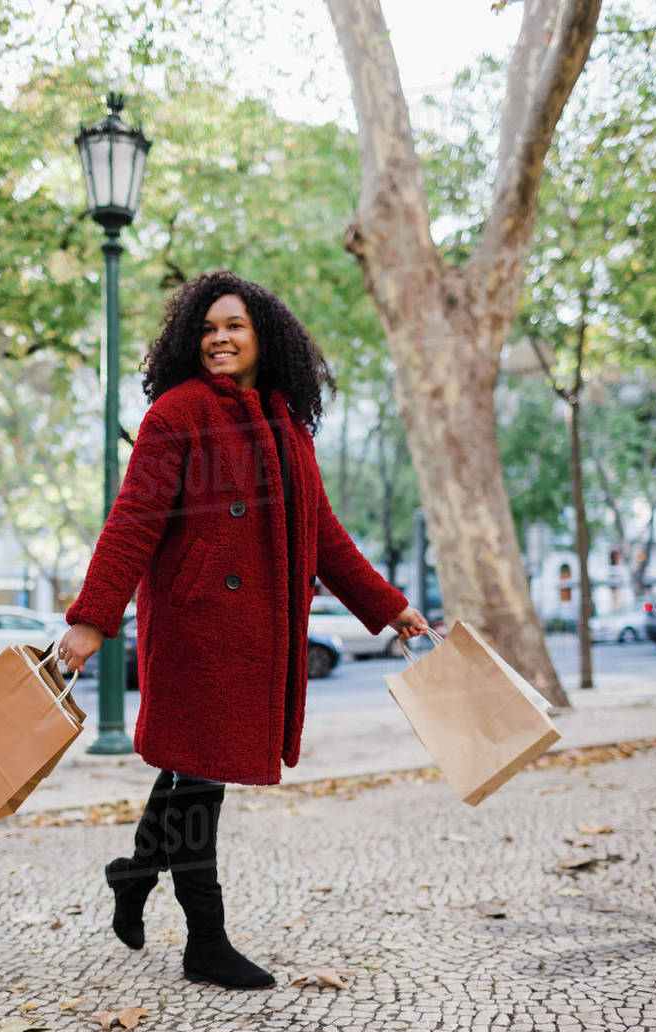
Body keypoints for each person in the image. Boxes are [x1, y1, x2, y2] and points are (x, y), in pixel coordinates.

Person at [59, 271, 428, 991]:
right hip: (197, 629)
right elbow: (133, 521)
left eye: (233, 327)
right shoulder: (176, 415)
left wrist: (389, 606)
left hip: (258, 636)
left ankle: (134, 873)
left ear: (264, 336)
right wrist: (91, 619)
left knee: (191, 771)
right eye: (207, 329)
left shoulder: (288, 427)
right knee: (200, 780)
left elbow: (324, 537)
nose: (219, 340)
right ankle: (206, 941)